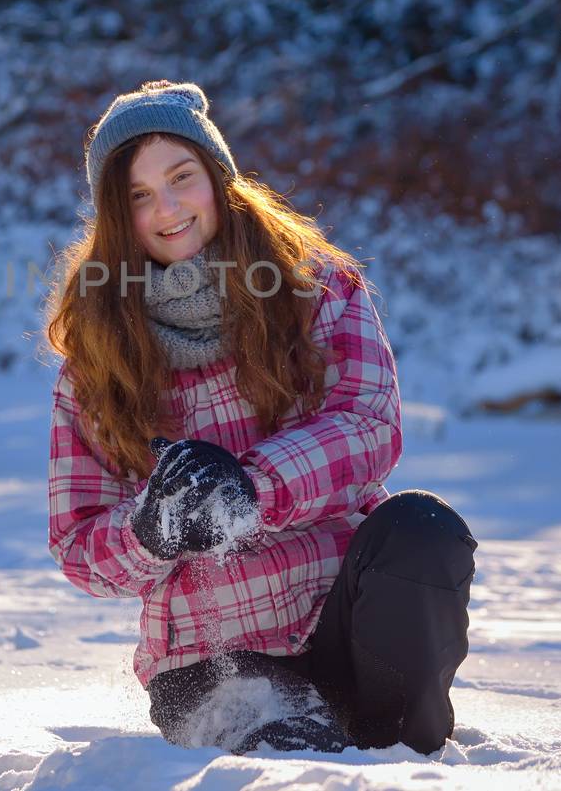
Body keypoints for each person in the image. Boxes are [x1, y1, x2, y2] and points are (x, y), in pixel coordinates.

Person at [42, 80, 477, 755]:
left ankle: (401, 743)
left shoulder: (317, 288)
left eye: (181, 178)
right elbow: (77, 544)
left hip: (345, 624)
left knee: (422, 528)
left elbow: (369, 425)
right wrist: (151, 532)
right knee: (294, 759)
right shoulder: (95, 361)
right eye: (138, 194)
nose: (168, 208)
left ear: (218, 177)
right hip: (211, 659)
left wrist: (249, 487)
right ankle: (304, 740)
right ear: (115, 216)